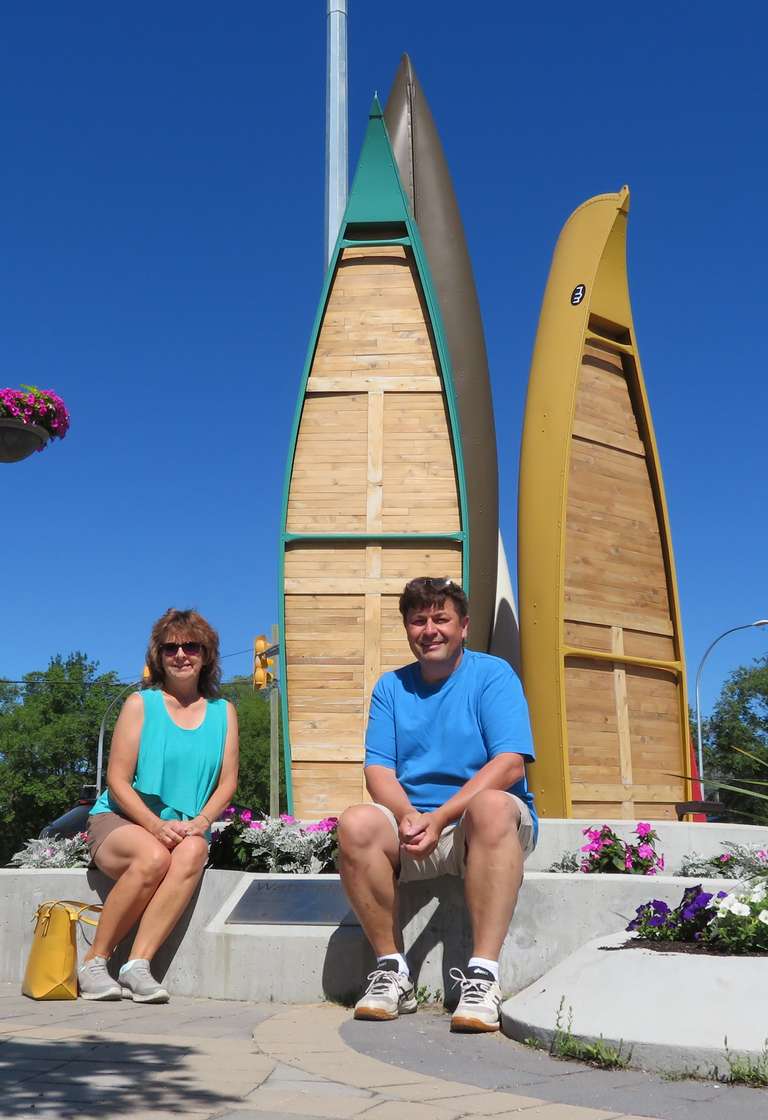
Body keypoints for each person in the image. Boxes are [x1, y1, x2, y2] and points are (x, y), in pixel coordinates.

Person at [338, 577, 537, 1033]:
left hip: (480, 827)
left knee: (490, 805)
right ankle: (392, 971)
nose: (430, 629)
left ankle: (483, 975)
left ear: (464, 626)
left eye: (441, 619)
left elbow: (509, 764)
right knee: (357, 823)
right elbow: (379, 772)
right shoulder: (390, 688)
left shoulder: (493, 675)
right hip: (414, 827)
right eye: (418, 620)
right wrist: (409, 816)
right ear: (407, 630)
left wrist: (442, 816)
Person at [78, 608, 239, 1003]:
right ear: (159, 656)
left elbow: (228, 782)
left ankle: (137, 966)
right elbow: (117, 780)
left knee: (195, 851)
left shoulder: (224, 712)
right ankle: (94, 963)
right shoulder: (140, 703)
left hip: (183, 827)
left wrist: (201, 821)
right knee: (152, 857)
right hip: (121, 819)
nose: (181, 655)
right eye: (171, 648)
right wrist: (153, 825)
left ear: (207, 655)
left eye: (191, 646)